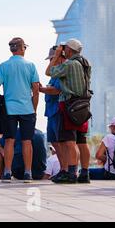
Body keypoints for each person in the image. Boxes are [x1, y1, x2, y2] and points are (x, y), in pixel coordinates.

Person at [0, 37, 40, 183]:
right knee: (27, 141)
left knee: (9, 141)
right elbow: (36, 90)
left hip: (9, 109)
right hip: (27, 108)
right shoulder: (31, 65)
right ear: (22, 48)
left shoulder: (3, 66)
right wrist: (34, 108)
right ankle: (28, 173)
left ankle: (7, 172)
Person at [47, 38, 92, 184]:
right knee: (82, 140)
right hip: (83, 105)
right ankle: (84, 173)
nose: (63, 50)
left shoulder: (70, 64)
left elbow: (49, 72)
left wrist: (56, 55)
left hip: (69, 105)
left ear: (69, 50)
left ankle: (71, 173)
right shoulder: (85, 63)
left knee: (69, 141)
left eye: (65, 48)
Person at [39, 46, 66, 178]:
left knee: (61, 142)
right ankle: (63, 169)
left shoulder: (62, 71)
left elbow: (57, 90)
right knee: (54, 141)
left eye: (52, 59)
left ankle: (65, 169)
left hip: (58, 111)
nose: (50, 62)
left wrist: (42, 89)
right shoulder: (56, 72)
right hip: (51, 112)